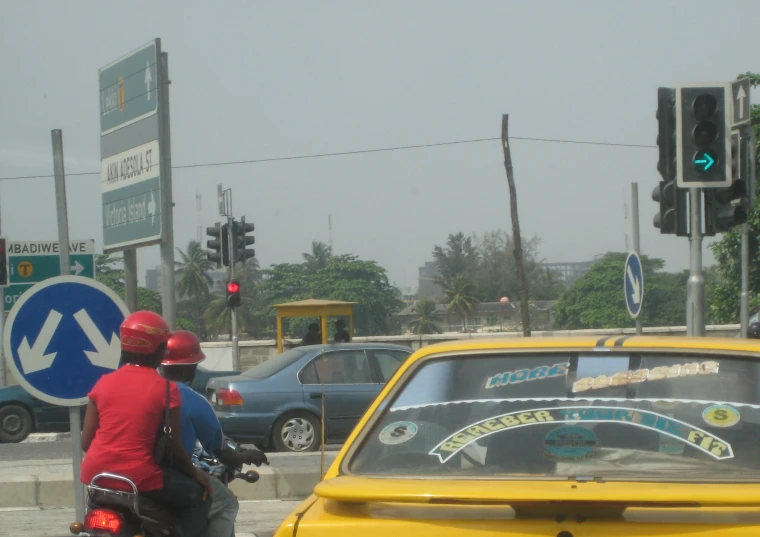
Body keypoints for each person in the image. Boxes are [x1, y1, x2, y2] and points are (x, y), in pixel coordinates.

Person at [81, 311, 213, 537]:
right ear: (159, 351)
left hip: (97, 477)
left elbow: (86, 442)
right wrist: (199, 477)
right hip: (140, 478)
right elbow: (176, 448)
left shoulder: (103, 384)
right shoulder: (166, 389)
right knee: (201, 496)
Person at [161, 330, 268, 537]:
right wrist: (244, 456)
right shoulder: (192, 399)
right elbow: (219, 450)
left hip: (125, 475)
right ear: (190, 367)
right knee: (227, 503)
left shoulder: (144, 390)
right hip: (172, 475)